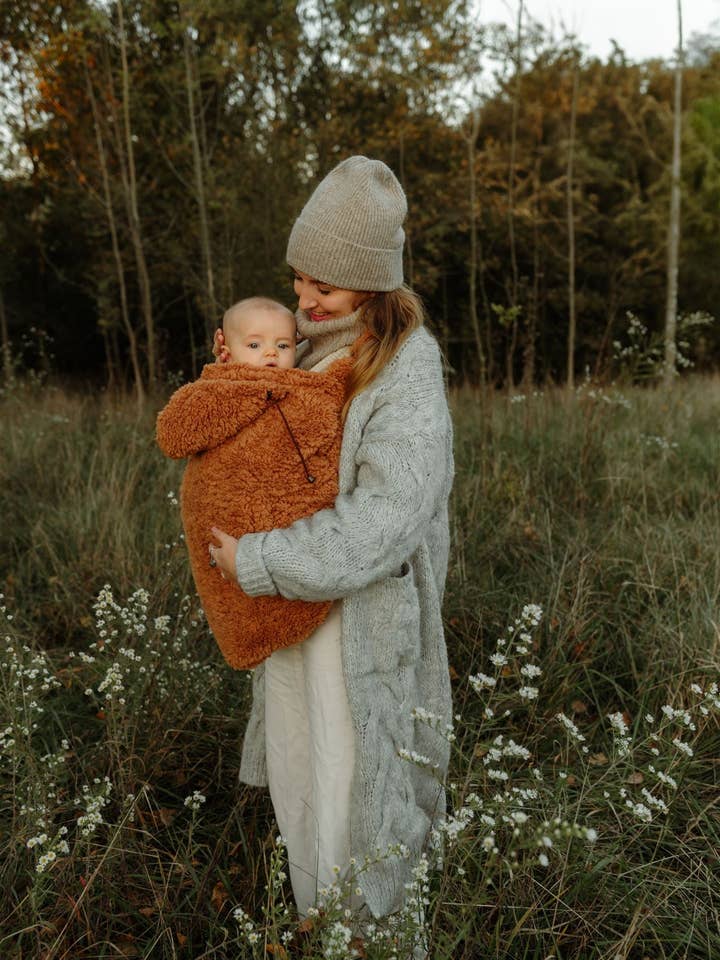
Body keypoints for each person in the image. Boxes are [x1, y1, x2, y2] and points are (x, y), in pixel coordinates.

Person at [209, 156, 455, 947]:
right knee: (303, 777)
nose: (303, 297)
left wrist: (261, 561)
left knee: (360, 795)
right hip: (296, 615)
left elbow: (386, 520)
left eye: (324, 284)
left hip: (359, 630)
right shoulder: (304, 348)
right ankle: (318, 928)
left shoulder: (406, 365)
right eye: (298, 278)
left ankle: (371, 943)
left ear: (371, 281)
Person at [155, 295, 354, 669]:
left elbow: (323, 406)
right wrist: (235, 383)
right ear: (226, 349)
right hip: (229, 530)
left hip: (286, 537)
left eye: (283, 345)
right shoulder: (217, 390)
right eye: (254, 345)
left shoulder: (304, 387)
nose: (270, 354)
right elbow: (173, 435)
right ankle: (252, 629)